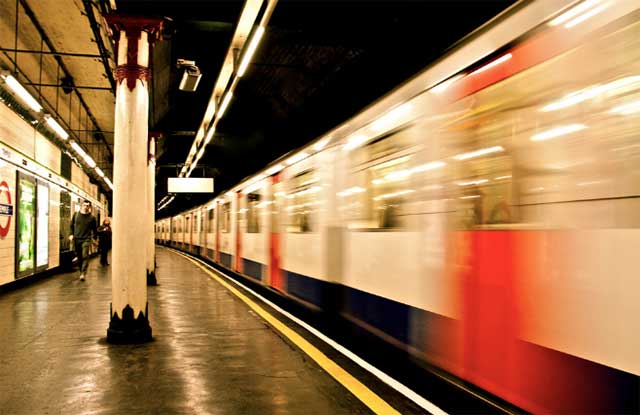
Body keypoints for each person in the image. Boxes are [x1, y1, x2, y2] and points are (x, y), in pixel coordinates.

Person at [69, 199, 98, 281]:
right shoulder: (76, 215)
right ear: (82, 205)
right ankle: (81, 270)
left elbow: (94, 230)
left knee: (85, 255)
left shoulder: (92, 218)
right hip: (77, 239)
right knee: (79, 256)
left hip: (86, 239)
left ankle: (83, 273)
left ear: (90, 207)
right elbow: (71, 225)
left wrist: (95, 239)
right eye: (84, 205)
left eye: (88, 206)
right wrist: (71, 234)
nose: (86, 207)